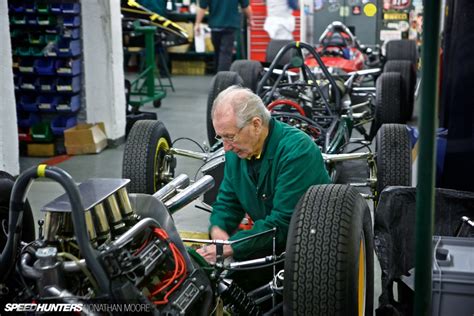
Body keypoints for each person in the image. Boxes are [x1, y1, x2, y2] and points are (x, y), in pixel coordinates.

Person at [197, 86, 331, 266]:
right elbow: (228, 201)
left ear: (256, 124)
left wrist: (233, 246)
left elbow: (284, 223)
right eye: (221, 138)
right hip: (269, 242)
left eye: (230, 137)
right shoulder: (236, 153)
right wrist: (218, 228)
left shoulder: (298, 152)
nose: (226, 147)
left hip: (308, 251)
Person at [194, 0, 252, 72]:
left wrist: (197, 23)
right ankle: (223, 79)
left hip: (215, 25)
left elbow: (202, 7)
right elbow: (245, 6)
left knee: (217, 52)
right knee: (225, 54)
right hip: (230, 25)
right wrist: (250, 19)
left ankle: (218, 76)